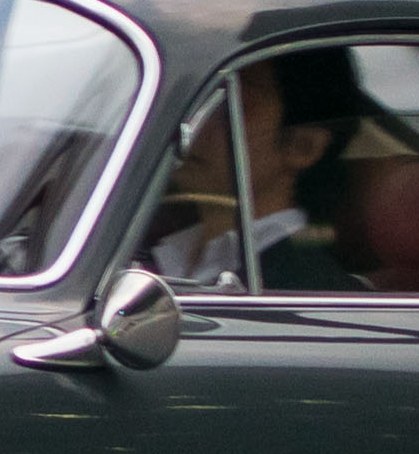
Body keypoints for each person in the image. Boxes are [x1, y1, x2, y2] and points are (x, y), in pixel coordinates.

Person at [147, 56, 361, 292]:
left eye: (230, 104)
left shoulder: (301, 291)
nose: (193, 123)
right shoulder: (155, 250)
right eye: (198, 98)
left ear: (302, 146)